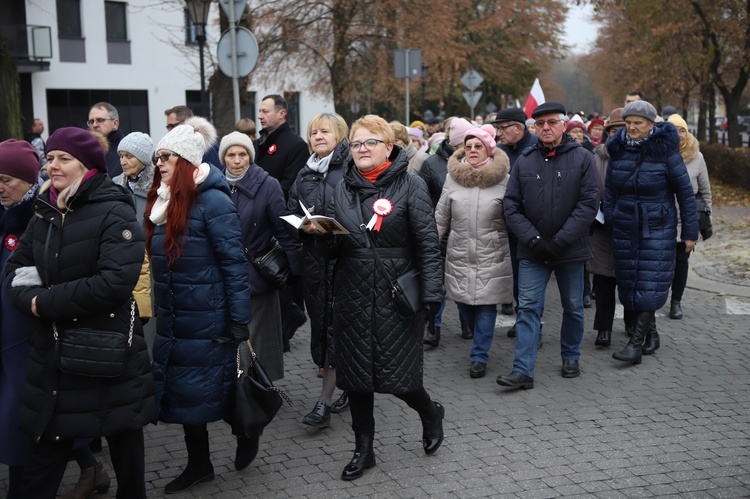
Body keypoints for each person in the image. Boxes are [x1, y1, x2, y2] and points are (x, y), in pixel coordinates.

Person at [4, 127, 156, 499]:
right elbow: (14, 274)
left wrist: (44, 301)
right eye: (50, 157)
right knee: (41, 463)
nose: (52, 165)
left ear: (86, 165)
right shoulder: (45, 210)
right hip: (55, 358)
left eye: (63, 158)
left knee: (126, 455)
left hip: (108, 354)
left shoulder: (114, 210)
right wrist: (34, 298)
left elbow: (113, 284)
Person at [320, 115, 445, 481]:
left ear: (388, 147)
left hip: (396, 294)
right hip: (353, 293)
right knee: (357, 377)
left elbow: (427, 243)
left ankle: (430, 412)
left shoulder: (412, 185)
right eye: (356, 144)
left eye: (370, 143)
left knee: (400, 375)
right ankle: (364, 450)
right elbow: (333, 249)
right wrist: (319, 237)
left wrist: (432, 295)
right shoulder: (339, 187)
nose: (361, 150)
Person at [145, 117, 253, 493]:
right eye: (158, 156)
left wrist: (240, 320)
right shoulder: (164, 203)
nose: (159, 163)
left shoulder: (213, 202)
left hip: (210, 319)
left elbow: (234, 265)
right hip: (177, 319)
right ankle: (199, 465)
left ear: (187, 161)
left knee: (218, 391)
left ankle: (247, 430)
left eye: (167, 157)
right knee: (187, 396)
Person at [496, 102, 599, 390]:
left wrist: (561, 241)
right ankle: (522, 370)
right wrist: (534, 240)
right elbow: (511, 206)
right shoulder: (525, 161)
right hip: (533, 250)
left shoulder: (582, 159)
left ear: (564, 125)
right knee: (528, 308)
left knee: (574, 306)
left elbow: (588, 204)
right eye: (539, 124)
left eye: (552, 122)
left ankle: (571, 355)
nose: (545, 128)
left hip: (570, 249)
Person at [605, 101, 698, 365]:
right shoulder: (618, 150)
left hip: (657, 227)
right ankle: (652, 336)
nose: (632, 128)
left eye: (639, 123)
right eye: (629, 122)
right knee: (630, 284)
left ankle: (634, 346)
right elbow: (610, 189)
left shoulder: (666, 152)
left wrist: (689, 233)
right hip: (624, 226)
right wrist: (612, 217)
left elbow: (686, 195)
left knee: (650, 281)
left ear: (651, 125)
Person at [221, 130, 302, 383]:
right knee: (231, 338)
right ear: (223, 158)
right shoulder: (214, 185)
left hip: (257, 274)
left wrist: (296, 272)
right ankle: (236, 388)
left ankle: (259, 390)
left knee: (258, 340)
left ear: (250, 156)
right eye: (231, 154)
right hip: (224, 276)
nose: (237, 160)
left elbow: (284, 231)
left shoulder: (267, 184)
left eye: (242, 154)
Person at [287, 113, 351, 428]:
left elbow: (360, 215)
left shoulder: (350, 169)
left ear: (339, 135)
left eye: (325, 131)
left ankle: (324, 403)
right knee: (322, 328)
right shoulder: (304, 174)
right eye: (314, 132)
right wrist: (302, 226)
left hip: (344, 263)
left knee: (336, 331)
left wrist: (331, 227)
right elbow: (290, 210)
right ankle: (352, 386)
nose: (318, 137)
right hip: (314, 262)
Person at [435, 124, 512, 379]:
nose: (472, 150)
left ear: (489, 149)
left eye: (478, 146)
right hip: (459, 252)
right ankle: (476, 337)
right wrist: (432, 243)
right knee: (465, 304)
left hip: (493, 252)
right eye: (468, 147)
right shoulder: (453, 177)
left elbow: (514, 216)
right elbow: (441, 215)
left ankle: (479, 356)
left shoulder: (504, 179)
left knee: (486, 306)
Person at [0, 140, 42, 499]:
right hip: (6, 334)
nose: (0, 187)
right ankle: (92, 470)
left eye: (7, 179)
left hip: (26, 336)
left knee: (20, 417)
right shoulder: (4, 217)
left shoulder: (40, 219)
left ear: (29, 181)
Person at [254, 94, 310, 351]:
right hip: (260, 220)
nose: (260, 115)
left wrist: (262, 198)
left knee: (283, 276)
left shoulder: (295, 144)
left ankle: (287, 325)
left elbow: (290, 184)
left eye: (265, 111)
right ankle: (283, 324)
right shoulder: (260, 143)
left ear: (282, 113)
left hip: (282, 220)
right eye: (260, 111)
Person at [418, 116, 476, 343]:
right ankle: (434, 327)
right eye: (464, 143)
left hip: (466, 234)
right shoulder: (431, 164)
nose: (469, 148)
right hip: (439, 234)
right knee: (438, 284)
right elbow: (422, 199)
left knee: (463, 282)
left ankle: (466, 324)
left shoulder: (476, 160)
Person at [588, 108, 637, 347]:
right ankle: (603, 329)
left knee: (629, 278)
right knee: (603, 281)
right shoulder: (598, 156)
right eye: (614, 130)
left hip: (631, 228)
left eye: (623, 129)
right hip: (602, 228)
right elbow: (589, 188)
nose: (619, 134)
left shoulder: (639, 154)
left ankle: (630, 322)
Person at [490, 108, 540, 331]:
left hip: (534, 227)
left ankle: (532, 325)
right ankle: (524, 319)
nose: (499, 133)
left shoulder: (538, 147)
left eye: (502, 128)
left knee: (531, 282)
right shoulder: (498, 152)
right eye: (497, 129)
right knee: (517, 279)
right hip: (507, 227)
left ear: (518, 128)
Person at [666, 114, 712, 320]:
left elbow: (705, 192)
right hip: (664, 218)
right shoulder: (660, 154)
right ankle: (658, 298)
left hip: (686, 219)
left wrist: (704, 218)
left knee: (682, 261)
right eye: (674, 130)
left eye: (682, 130)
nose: (679, 134)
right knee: (663, 262)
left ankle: (676, 301)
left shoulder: (697, 157)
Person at [88, 102, 124, 177]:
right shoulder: (85, 151)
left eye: (100, 120)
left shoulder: (126, 150)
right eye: (91, 121)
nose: (94, 125)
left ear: (115, 124)